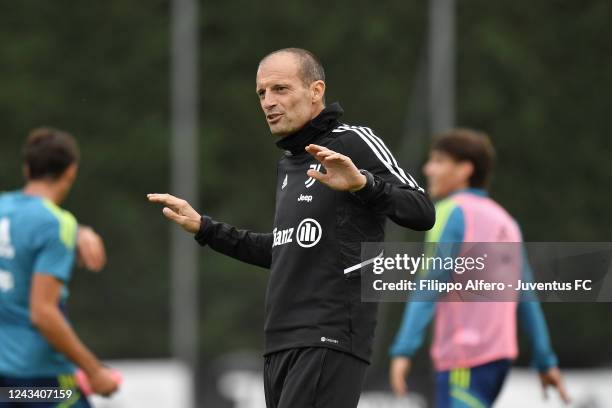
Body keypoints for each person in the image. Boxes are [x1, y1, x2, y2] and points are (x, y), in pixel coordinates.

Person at [148, 47, 435, 408]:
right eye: (262, 93)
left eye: (280, 89)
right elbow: (285, 251)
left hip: (330, 335)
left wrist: (363, 183)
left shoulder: (352, 142)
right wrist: (205, 228)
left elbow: (422, 211)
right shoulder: (289, 165)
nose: (268, 101)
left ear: (316, 91)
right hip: (280, 341)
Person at [388, 129, 570, 407]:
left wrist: (403, 350)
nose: (428, 169)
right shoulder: (507, 221)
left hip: (464, 358)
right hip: (499, 361)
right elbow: (527, 296)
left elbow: (430, 284)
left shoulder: (449, 212)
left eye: (438, 161)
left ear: (464, 169)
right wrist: (546, 361)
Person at [0, 127, 120, 407]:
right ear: (71, 172)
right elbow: (43, 313)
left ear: (27, 168)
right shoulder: (57, 224)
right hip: (40, 379)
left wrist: (76, 232)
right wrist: (94, 371)